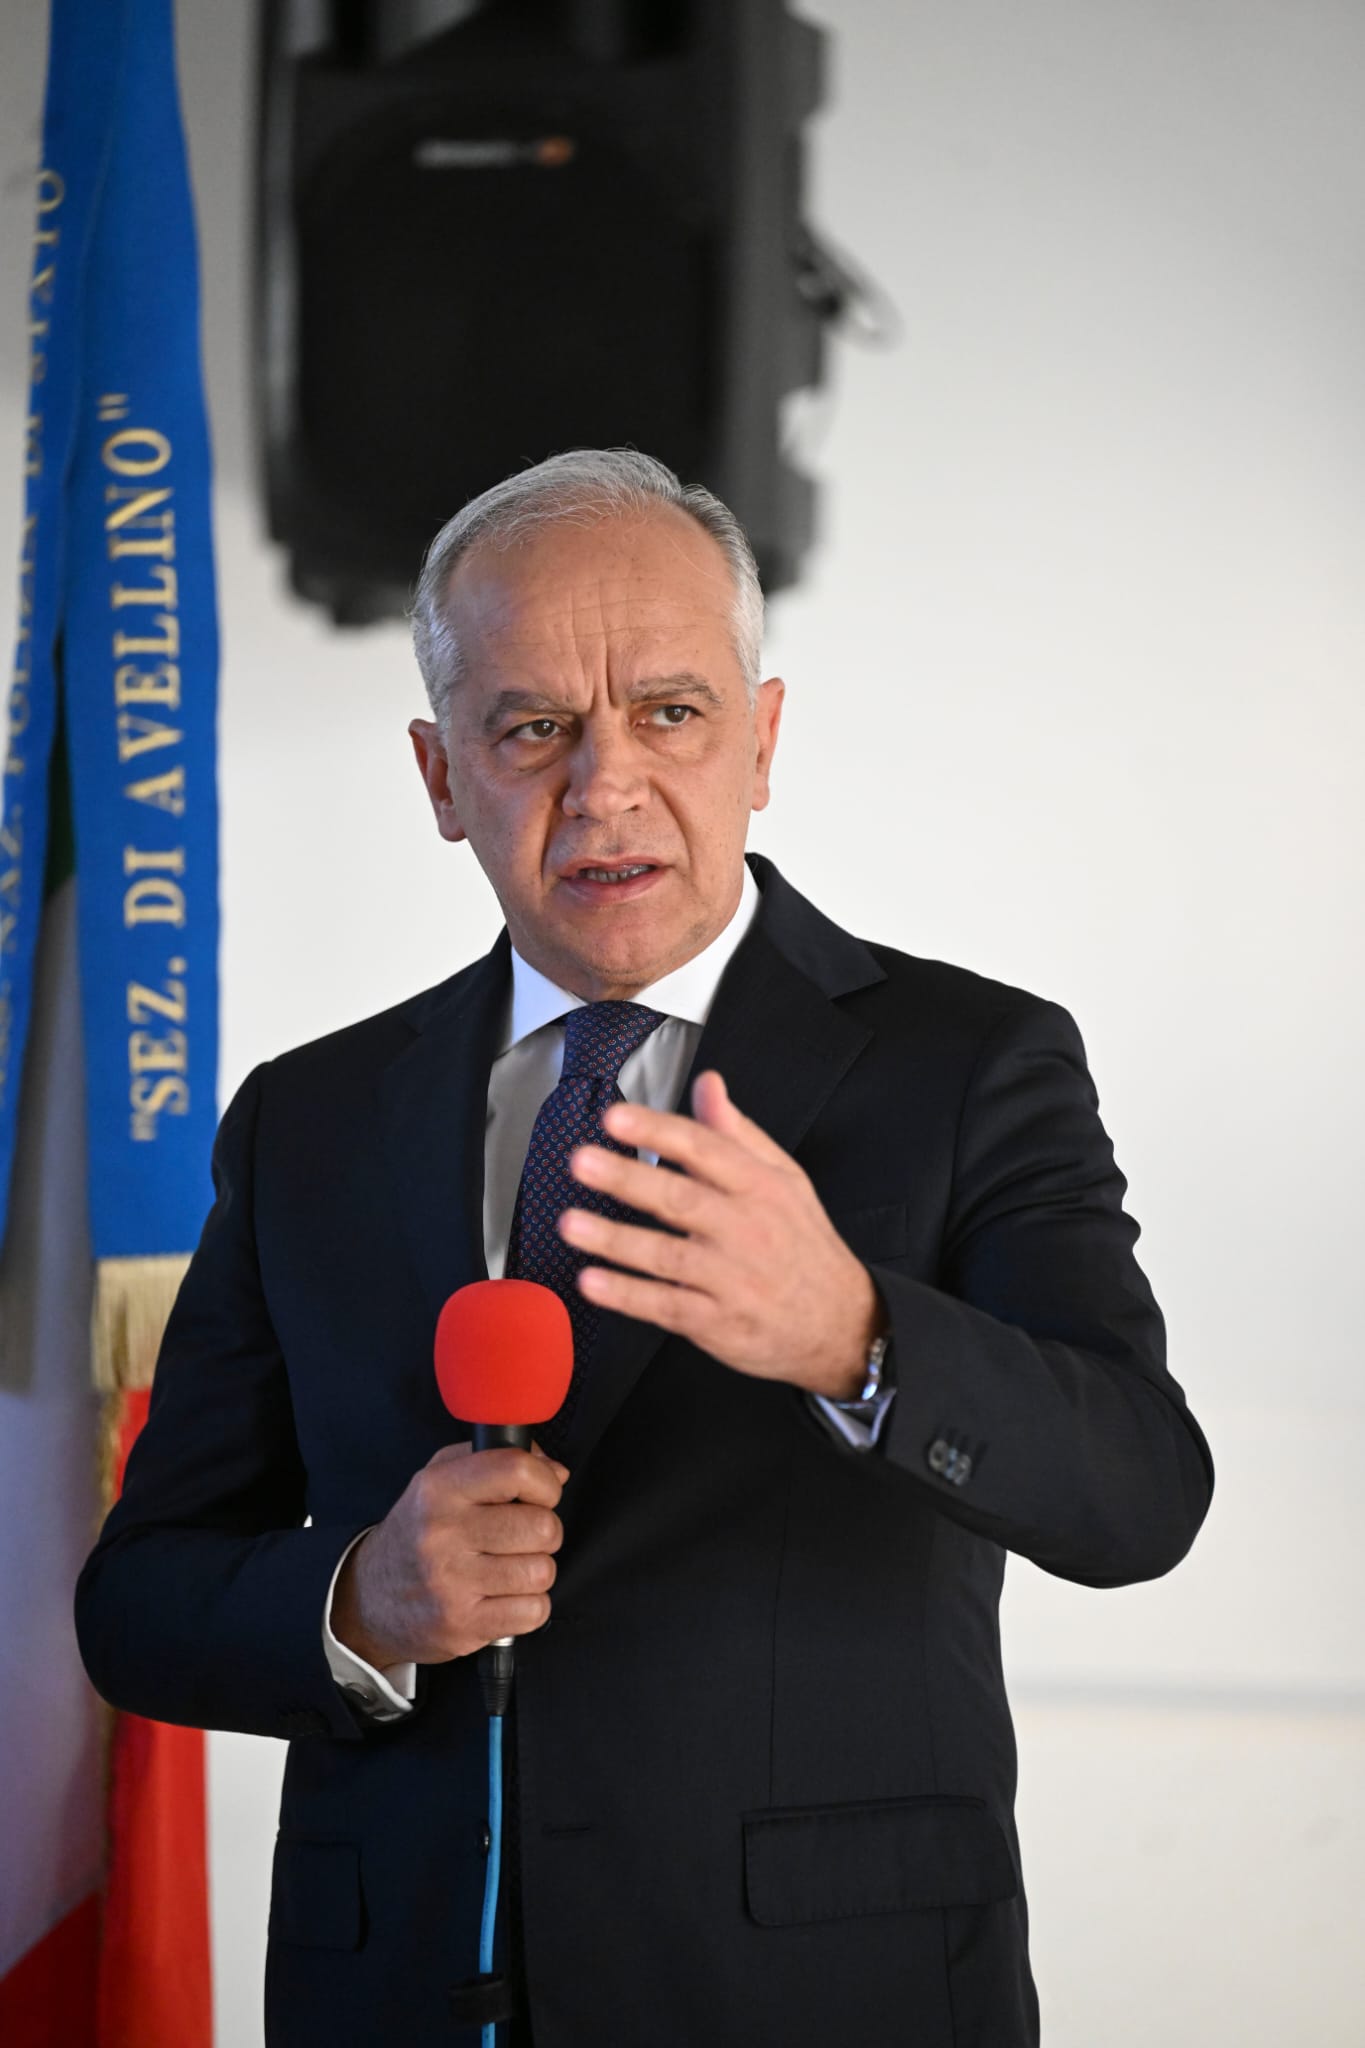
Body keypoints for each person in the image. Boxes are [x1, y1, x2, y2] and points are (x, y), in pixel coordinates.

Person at [76, 449, 1213, 2048]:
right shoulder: (307, 1119)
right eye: (531, 728)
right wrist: (362, 1599)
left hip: (817, 1997)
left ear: (760, 740)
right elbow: (141, 1603)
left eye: (669, 712)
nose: (604, 785)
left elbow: (1140, 1495)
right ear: (440, 776)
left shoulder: (972, 1065)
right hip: (401, 1997)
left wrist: (853, 1336)